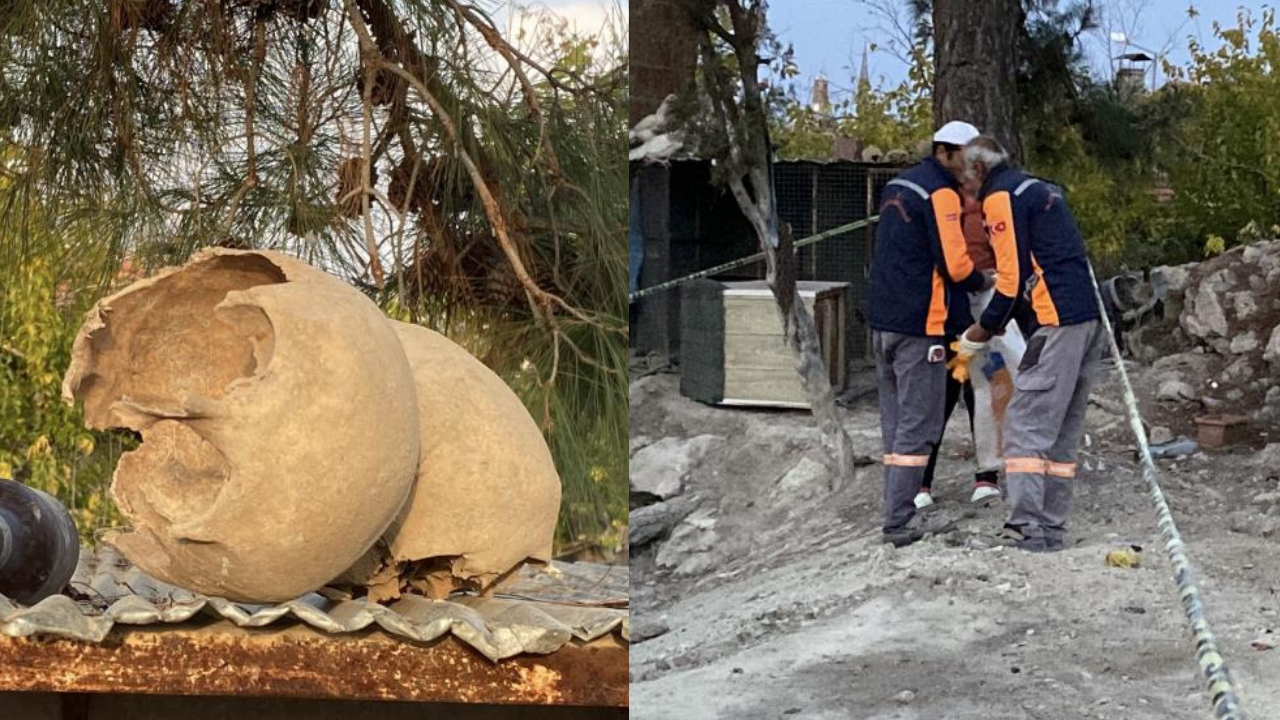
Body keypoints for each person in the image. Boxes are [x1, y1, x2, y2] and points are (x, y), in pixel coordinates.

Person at [958, 135, 1104, 553]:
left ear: (979, 170)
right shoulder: (1039, 189)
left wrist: (980, 332)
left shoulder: (1002, 197)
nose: (966, 191)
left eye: (966, 180)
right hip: (1084, 317)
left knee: (1024, 423)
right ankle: (1051, 529)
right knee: (1061, 432)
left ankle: (1024, 527)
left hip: (1056, 321)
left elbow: (1011, 277)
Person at [867, 120, 994, 548]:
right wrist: (985, 283)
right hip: (920, 326)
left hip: (883, 322)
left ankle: (894, 506)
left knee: (894, 422)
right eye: (966, 155)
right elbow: (956, 265)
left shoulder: (898, 185)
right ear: (945, 153)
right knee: (918, 425)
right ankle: (898, 520)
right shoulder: (940, 194)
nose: (972, 163)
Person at [914, 186, 1002, 510]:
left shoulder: (992, 205)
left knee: (983, 391)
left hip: (985, 308)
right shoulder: (942, 202)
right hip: (950, 311)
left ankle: (987, 477)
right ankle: (921, 482)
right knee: (942, 393)